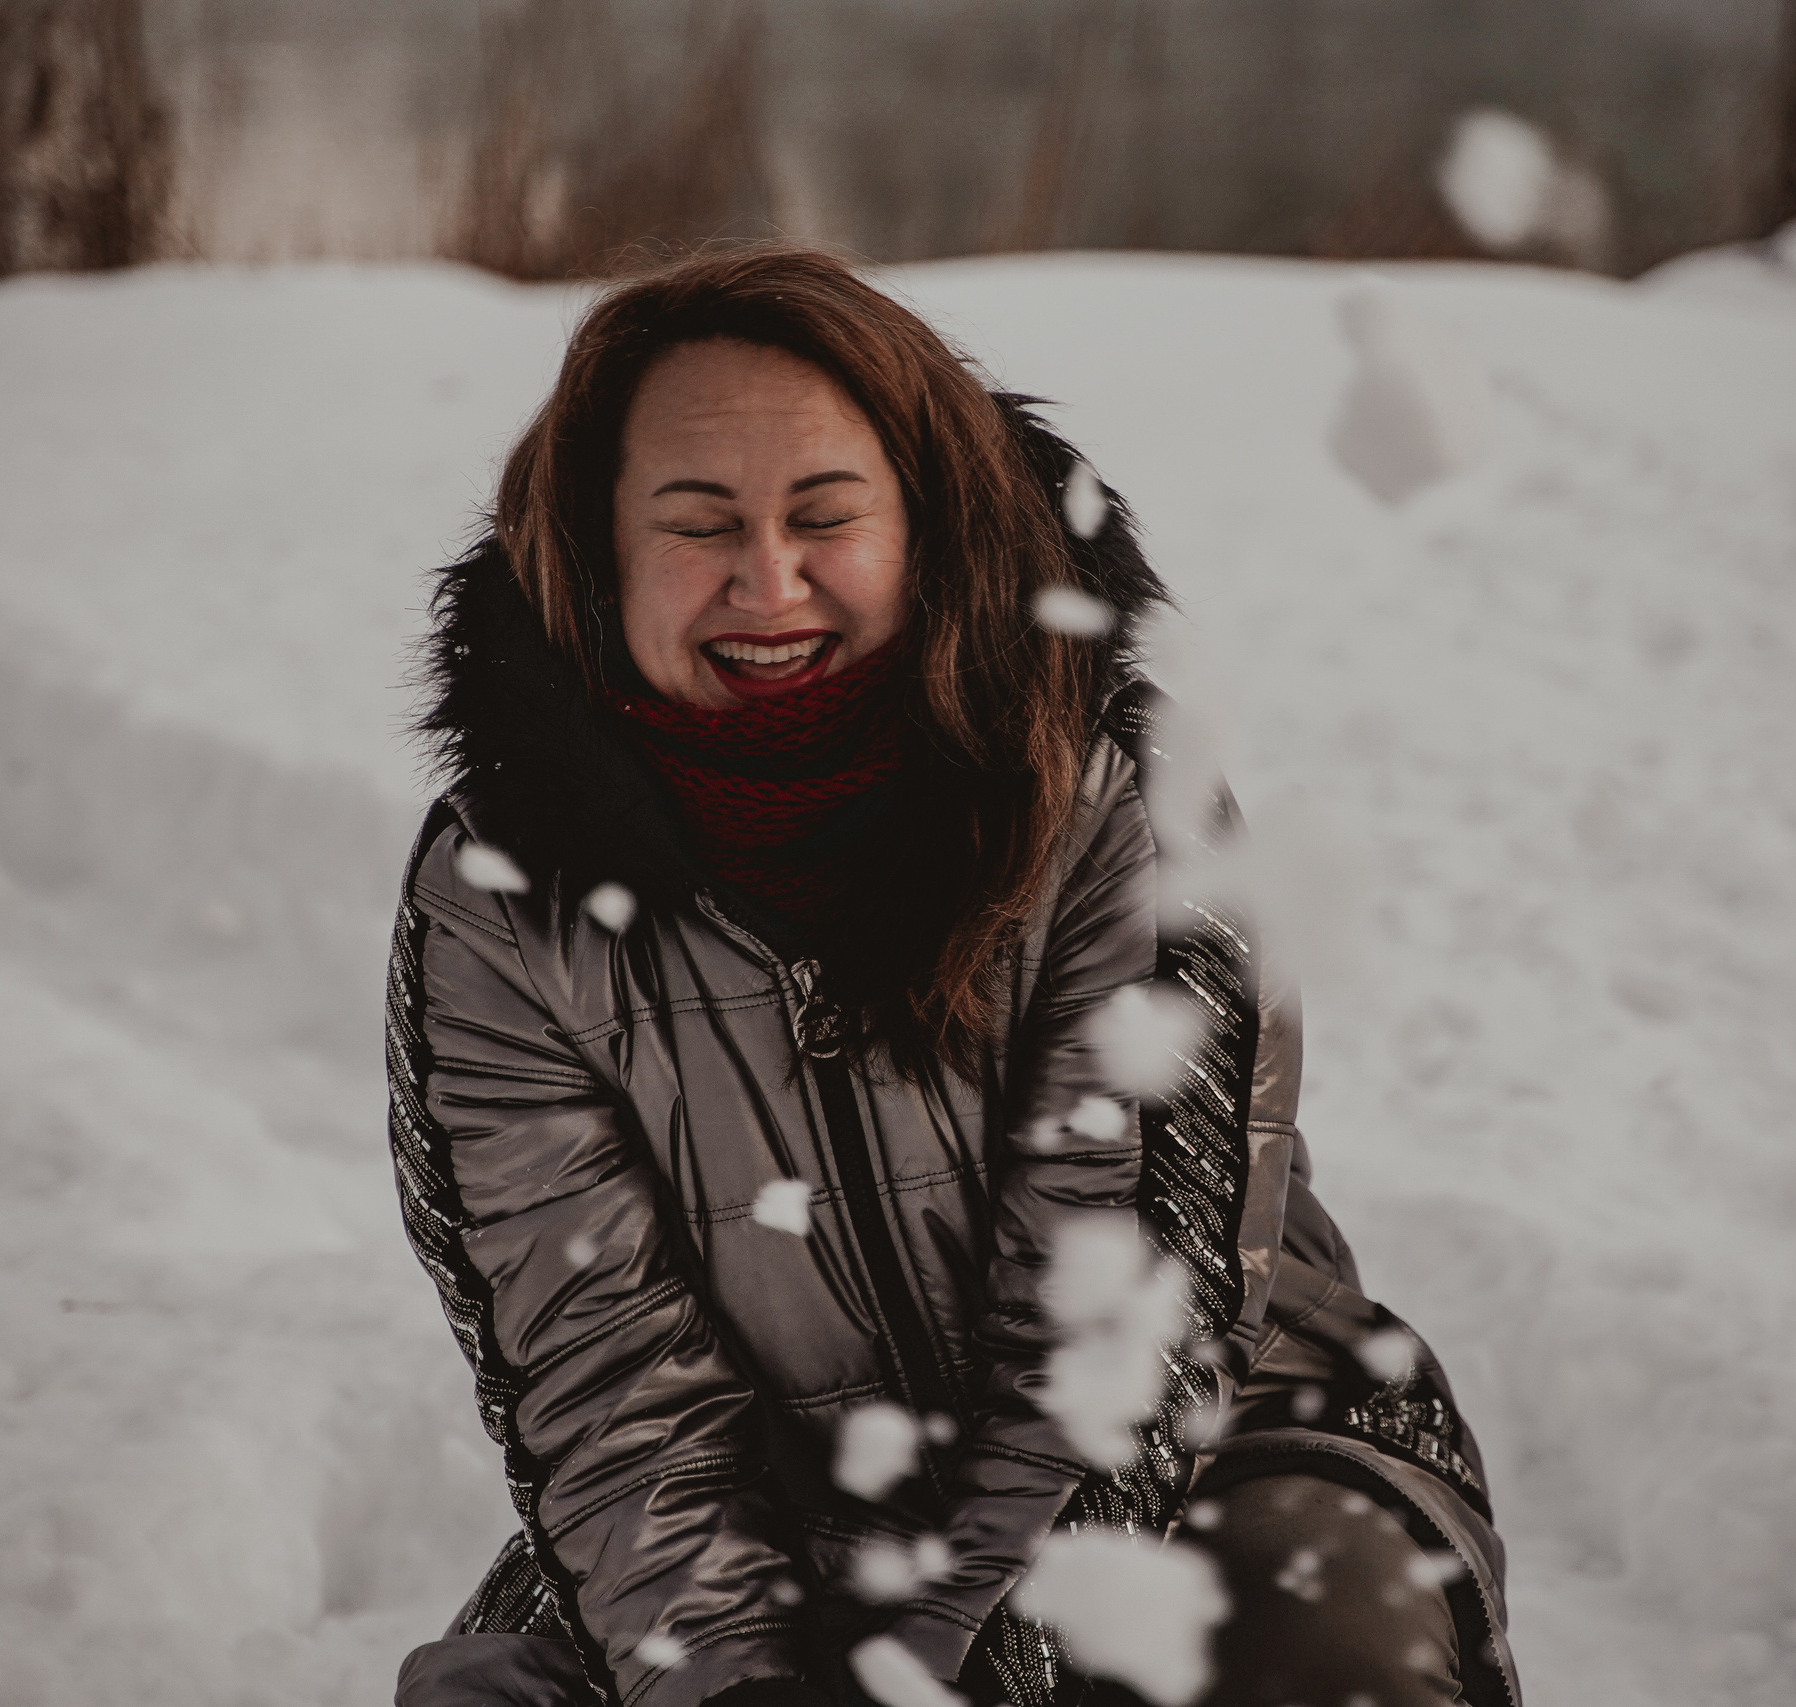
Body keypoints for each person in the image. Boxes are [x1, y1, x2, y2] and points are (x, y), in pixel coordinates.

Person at [387, 247, 1519, 1707]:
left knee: (1299, 1649)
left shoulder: (1114, 798)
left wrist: (937, 1679)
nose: (767, 579)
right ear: (600, 553)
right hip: (780, 1498)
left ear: (926, 526)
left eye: (824, 515)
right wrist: (734, 1687)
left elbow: (1119, 1341)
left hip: (1207, 1452)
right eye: (696, 520)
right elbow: (611, 1400)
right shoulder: (503, 893)